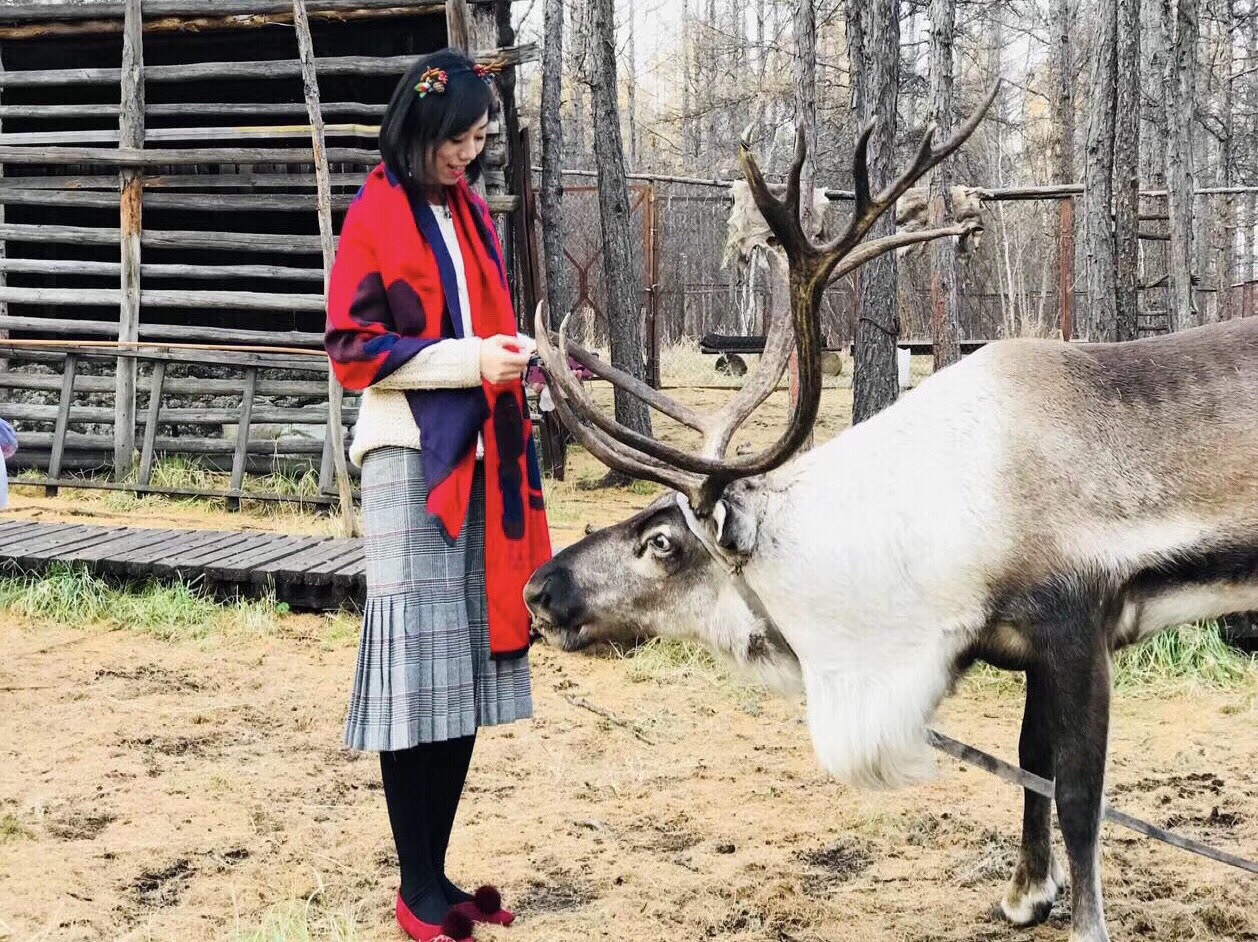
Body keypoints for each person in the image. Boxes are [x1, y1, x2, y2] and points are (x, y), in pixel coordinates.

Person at [325, 48, 552, 942]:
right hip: (406, 460)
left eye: (481, 137)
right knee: (417, 667)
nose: (472, 152)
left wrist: (519, 364)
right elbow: (353, 350)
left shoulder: (466, 215)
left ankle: (440, 872)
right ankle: (415, 887)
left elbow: (481, 324)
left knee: (457, 666)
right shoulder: (378, 213)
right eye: (460, 137)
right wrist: (472, 362)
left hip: (479, 458)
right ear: (421, 131)